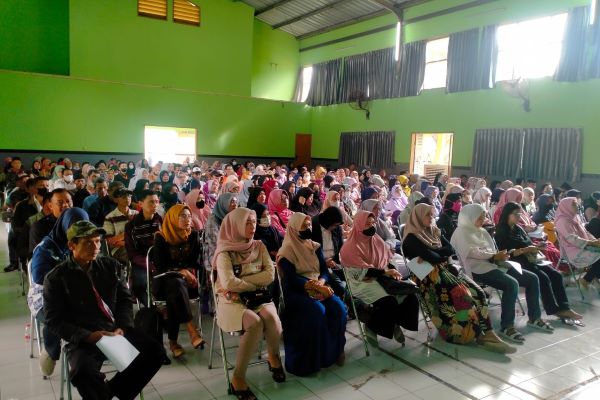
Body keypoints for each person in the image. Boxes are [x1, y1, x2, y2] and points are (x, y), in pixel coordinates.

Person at [43, 220, 163, 400]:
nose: (96, 247)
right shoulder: (56, 278)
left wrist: (122, 326)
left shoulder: (110, 266)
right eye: (88, 243)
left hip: (115, 330)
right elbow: (54, 320)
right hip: (84, 337)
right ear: (71, 245)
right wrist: (88, 336)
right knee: (82, 372)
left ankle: (110, 392)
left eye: (98, 241)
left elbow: (124, 300)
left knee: (155, 353)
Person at [401, 204, 515, 353]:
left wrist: (434, 253)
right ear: (418, 217)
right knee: (463, 295)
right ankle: (471, 334)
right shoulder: (411, 238)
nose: (431, 217)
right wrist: (437, 253)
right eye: (427, 215)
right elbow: (434, 257)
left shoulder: (434, 231)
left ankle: (488, 332)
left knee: (479, 292)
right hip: (427, 276)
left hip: (446, 268)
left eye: (432, 214)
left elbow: (450, 249)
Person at [212, 208, 284, 399]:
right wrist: (254, 282)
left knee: (273, 321)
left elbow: (270, 274)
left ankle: (273, 355)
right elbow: (228, 283)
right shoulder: (225, 253)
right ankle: (238, 378)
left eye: (253, 222)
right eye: (247, 223)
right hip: (231, 300)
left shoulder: (259, 246)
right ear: (235, 225)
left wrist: (244, 283)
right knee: (255, 323)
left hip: (256, 296)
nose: (253, 226)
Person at [451, 204, 550, 342]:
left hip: (493, 264)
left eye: (483, 217)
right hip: (476, 269)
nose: (482, 221)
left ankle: (534, 317)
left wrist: (501, 255)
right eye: (479, 218)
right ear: (470, 217)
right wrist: (493, 256)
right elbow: (472, 252)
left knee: (532, 278)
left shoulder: (482, 231)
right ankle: (507, 326)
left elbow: (492, 250)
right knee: (511, 284)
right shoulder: (461, 232)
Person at [277, 212, 347, 376]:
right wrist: (312, 285)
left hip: (319, 286)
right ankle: (314, 359)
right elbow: (291, 278)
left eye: (309, 225)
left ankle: (335, 351)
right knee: (317, 311)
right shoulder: (287, 250)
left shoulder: (314, 246)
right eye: (304, 226)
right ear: (294, 228)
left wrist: (321, 283)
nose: (308, 228)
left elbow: (324, 271)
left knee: (339, 308)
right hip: (297, 291)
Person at [340, 210, 419, 344]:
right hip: (362, 281)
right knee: (388, 301)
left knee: (409, 296)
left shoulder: (375, 239)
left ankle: (395, 322)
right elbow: (362, 272)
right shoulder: (349, 247)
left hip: (382, 276)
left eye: (373, 223)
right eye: (367, 224)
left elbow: (386, 259)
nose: (372, 226)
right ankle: (372, 326)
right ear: (359, 225)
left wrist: (392, 271)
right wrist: (385, 272)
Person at [495, 202, 581, 325]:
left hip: (530, 258)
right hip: (516, 262)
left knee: (556, 275)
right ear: (507, 214)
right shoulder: (501, 231)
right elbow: (506, 254)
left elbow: (527, 242)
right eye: (516, 214)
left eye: (520, 213)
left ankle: (564, 307)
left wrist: (536, 246)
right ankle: (553, 309)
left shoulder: (518, 228)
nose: (519, 216)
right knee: (543, 278)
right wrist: (527, 249)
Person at [29, 208, 90, 376]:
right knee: (59, 317)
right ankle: (51, 350)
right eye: (73, 228)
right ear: (64, 226)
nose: (77, 233)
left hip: (74, 294)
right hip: (43, 296)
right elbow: (40, 279)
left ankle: (87, 354)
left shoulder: (86, 244)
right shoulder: (45, 249)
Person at [152, 204, 205, 358]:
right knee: (174, 285)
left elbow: (195, 261)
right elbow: (161, 266)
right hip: (164, 281)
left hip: (187, 282)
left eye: (189, 216)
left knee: (175, 292)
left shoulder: (193, 235)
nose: (187, 220)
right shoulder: (161, 237)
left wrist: (186, 273)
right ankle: (191, 329)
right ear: (173, 218)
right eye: (182, 216)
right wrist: (182, 272)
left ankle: (173, 342)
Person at [124, 190, 162, 306]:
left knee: (167, 280)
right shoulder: (132, 225)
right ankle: (150, 307)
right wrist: (148, 264)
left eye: (156, 201)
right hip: (141, 261)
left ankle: (162, 304)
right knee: (139, 284)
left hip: (159, 259)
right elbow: (132, 253)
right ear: (141, 204)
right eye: (151, 202)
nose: (155, 205)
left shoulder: (160, 221)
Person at [555, 197, 600, 290]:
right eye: (574, 204)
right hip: (573, 251)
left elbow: (586, 233)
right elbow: (572, 239)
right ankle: (586, 279)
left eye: (576, 204)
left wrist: (595, 241)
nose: (577, 206)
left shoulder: (575, 217)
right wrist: (591, 243)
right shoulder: (562, 221)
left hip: (584, 246)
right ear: (566, 206)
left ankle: (593, 276)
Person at [203, 193, 238, 270]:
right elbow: (214, 244)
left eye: (236, 202)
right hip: (216, 254)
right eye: (232, 202)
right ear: (224, 204)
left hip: (231, 251)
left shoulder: (232, 217)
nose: (235, 204)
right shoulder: (213, 220)